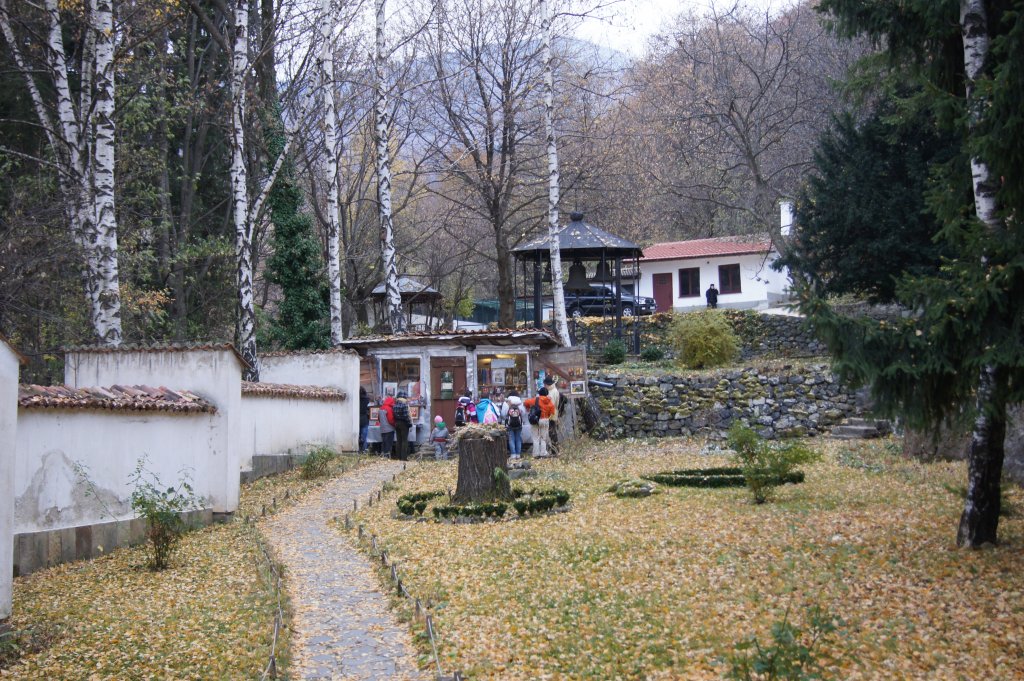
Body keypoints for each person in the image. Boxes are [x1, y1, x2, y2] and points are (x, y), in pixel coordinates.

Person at [523, 387, 555, 458]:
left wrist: (528, 408)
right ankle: (543, 453)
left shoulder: (535, 400)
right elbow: (552, 412)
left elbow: (525, 403)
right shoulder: (549, 401)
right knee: (543, 438)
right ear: (547, 394)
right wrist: (547, 415)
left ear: (539, 393)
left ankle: (536, 454)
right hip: (545, 420)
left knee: (535, 438)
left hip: (535, 420)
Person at [503, 390, 525, 459]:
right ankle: (518, 454)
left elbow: (503, 414)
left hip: (510, 424)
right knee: (518, 438)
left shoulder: (507, 403)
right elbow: (523, 413)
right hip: (519, 424)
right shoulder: (520, 402)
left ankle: (513, 454)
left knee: (511, 439)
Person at [543, 377, 561, 456]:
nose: (544, 386)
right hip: (554, 413)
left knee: (551, 433)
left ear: (547, 384)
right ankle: (555, 450)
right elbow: (556, 404)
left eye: (544, 384)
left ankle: (554, 451)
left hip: (550, 414)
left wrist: (548, 415)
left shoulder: (550, 392)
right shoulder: (555, 390)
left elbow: (550, 405)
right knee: (553, 432)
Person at [393, 390, 413, 460]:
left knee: (398, 440)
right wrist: (410, 424)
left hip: (397, 423)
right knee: (404, 441)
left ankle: (398, 456)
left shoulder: (395, 405)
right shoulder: (404, 405)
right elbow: (406, 416)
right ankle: (403, 457)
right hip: (404, 424)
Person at [358, 386, 370, 453]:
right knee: (364, 437)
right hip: (365, 420)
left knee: (357, 437)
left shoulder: (356, 399)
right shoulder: (367, 400)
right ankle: (364, 450)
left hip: (357, 420)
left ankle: (358, 450)